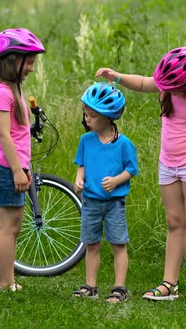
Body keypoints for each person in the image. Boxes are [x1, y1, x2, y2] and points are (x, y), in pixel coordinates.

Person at [95, 47, 186, 300]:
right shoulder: (168, 87)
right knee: (174, 222)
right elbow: (145, 82)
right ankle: (170, 283)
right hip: (168, 164)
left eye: (176, 87)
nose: (169, 91)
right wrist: (117, 77)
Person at [0, 28, 45, 292]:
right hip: (6, 168)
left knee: (14, 226)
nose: (31, 68)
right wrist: (17, 171)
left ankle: (8, 280)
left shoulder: (13, 90)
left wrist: (24, 167)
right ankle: (3, 283)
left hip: (14, 167)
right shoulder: (2, 93)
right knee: (8, 228)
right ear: (12, 60)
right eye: (29, 62)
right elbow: (5, 138)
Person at [72, 82, 139, 303]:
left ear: (107, 116)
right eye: (86, 114)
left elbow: (131, 169)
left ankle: (120, 287)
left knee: (118, 244)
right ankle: (90, 286)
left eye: (91, 116)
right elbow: (81, 164)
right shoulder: (86, 140)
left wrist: (117, 180)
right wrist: (79, 178)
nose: (87, 119)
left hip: (114, 203)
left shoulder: (124, 144)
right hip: (90, 201)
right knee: (92, 244)